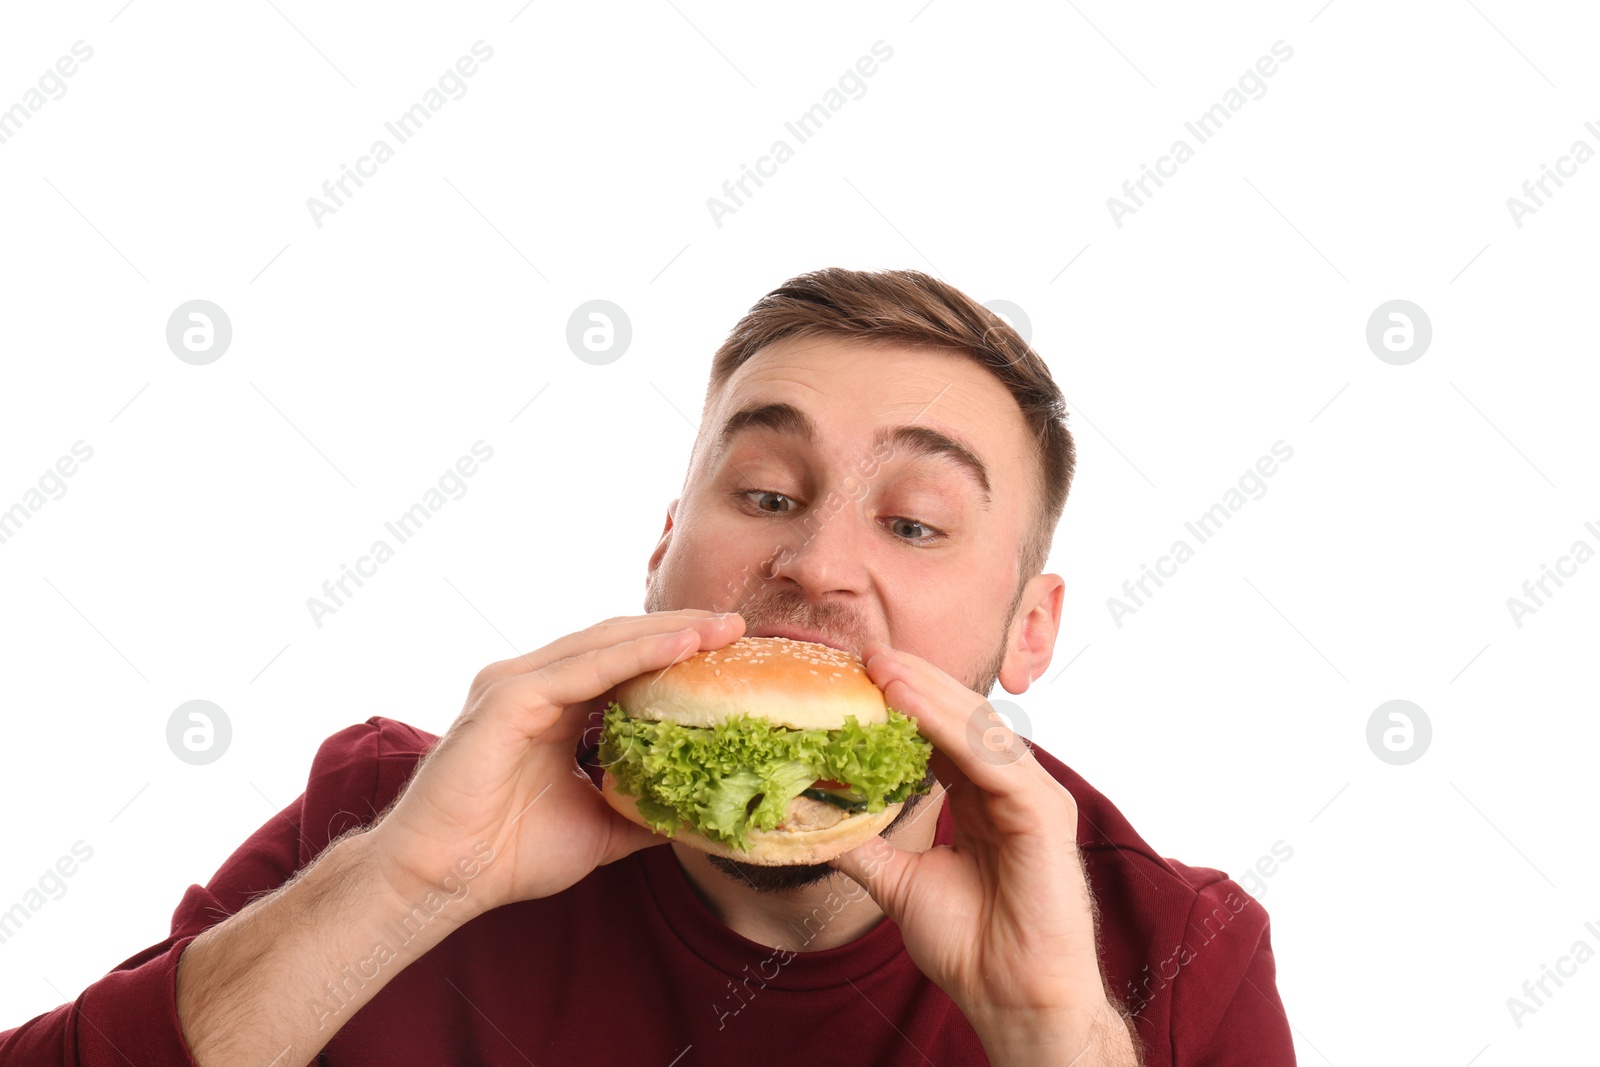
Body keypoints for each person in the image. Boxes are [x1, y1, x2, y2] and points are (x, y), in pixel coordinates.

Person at [0, 268, 1296, 1065]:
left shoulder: (1175, 952)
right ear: (667, 548)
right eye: (766, 490)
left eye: (913, 523)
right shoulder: (389, 818)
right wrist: (400, 891)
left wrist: (1050, 1037)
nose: (818, 566)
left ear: (1032, 627)